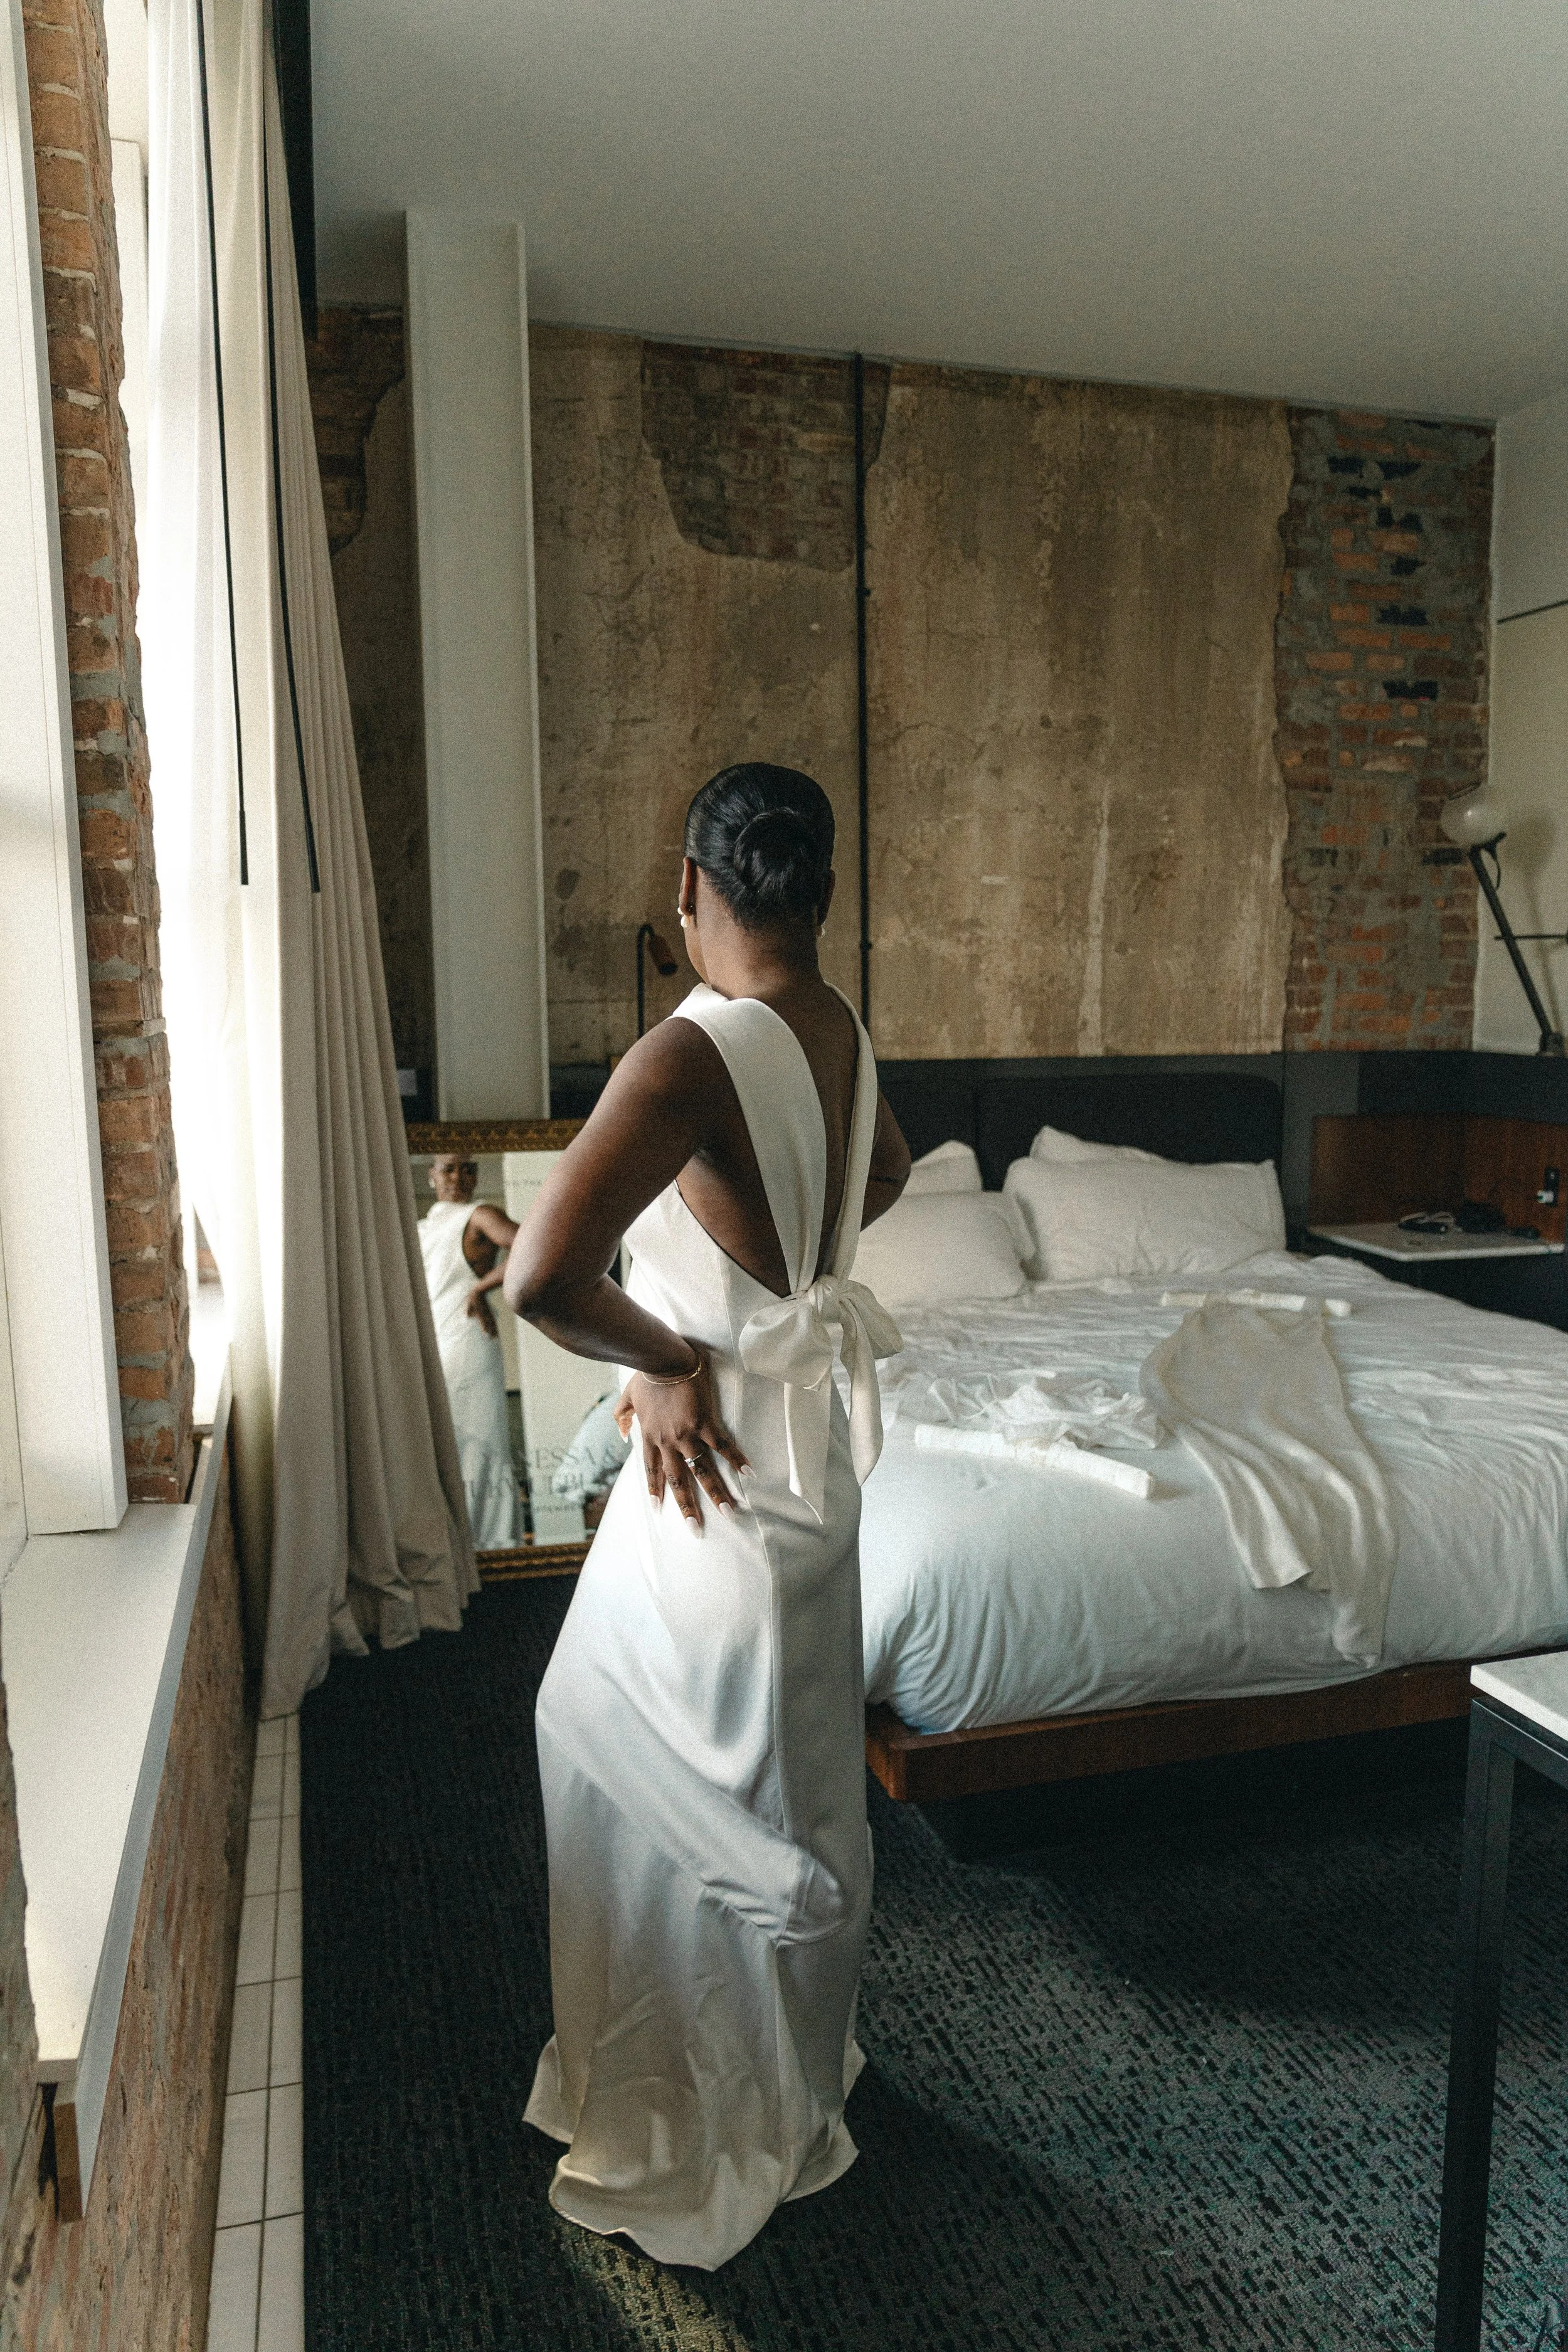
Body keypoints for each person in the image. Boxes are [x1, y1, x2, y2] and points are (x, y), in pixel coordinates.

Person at [504, 761, 912, 2269]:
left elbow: (543, 1275)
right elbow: (891, 1166)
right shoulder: (842, 1023)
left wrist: (676, 1352)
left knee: (622, 1758)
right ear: (818, 889)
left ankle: (682, 2112)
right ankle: (789, 2087)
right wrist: (771, 1291)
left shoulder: (687, 1052)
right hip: (812, 1483)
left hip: (716, 1485)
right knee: (790, 1798)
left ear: (690, 889)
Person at [420, 1155, 524, 1549]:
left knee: (480, 1441)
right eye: (448, 1169)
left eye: (468, 1169)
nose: (458, 1177)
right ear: (431, 1176)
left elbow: (531, 1242)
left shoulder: (479, 1215)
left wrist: (481, 1288)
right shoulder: (423, 1228)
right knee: (443, 1441)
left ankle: (492, 1545)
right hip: (434, 1339)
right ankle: (456, 1546)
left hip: (468, 1334)